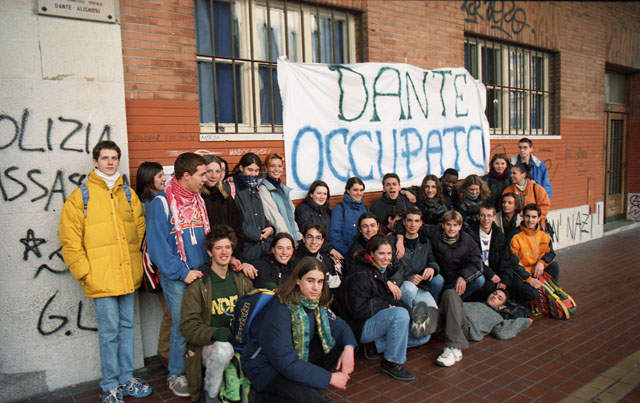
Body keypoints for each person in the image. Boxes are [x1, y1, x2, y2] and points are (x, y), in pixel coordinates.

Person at [59, 141, 151, 403]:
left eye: (114, 158)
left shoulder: (128, 194)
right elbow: (70, 240)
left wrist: (135, 262)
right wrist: (85, 272)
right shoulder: (81, 196)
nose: (110, 162)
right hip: (101, 278)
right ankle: (110, 384)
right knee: (109, 334)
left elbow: (139, 229)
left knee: (127, 328)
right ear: (95, 161)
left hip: (127, 275)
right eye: (105, 158)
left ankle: (126, 378)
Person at [242, 257, 358, 402]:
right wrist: (329, 378)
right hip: (266, 368)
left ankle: (303, 386)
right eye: (310, 281)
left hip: (292, 359)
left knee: (338, 343)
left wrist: (349, 348)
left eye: (320, 282)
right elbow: (285, 361)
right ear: (298, 280)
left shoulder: (313, 302)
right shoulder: (280, 309)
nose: (316, 287)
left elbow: (340, 326)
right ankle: (261, 396)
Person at [145, 152, 209, 397]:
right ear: (186, 175)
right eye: (201, 174)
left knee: (201, 323)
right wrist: (183, 272)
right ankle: (176, 373)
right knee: (182, 325)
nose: (205, 178)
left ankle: (196, 367)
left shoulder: (198, 200)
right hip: (177, 278)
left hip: (201, 273)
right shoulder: (161, 203)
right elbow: (157, 248)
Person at [334, 235, 430, 382]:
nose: (386, 258)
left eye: (389, 253)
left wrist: (410, 313)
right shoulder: (360, 274)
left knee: (423, 337)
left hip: (370, 319)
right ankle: (391, 363)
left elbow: (385, 296)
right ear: (372, 253)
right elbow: (357, 310)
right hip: (356, 327)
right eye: (382, 253)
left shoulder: (378, 268)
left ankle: (376, 344)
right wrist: (385, 306)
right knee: (399, 315)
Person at [179, 225, 255, 402]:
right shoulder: (199, 285)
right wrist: (218, 333)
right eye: (218, 248)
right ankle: (210, 395)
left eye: (227, 247)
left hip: (239, 343)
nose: (224, 252)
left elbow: (253, 313)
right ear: (209, 252)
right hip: (210, 347)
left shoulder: (241, 281)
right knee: (223, 350)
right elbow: (188, 326)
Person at [428, 289, 532, 367]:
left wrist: (525, 322)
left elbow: (502, 332)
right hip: (447, 320)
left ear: (501, 307)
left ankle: (454, 345)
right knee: (435, 310)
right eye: (494, 293)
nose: (495, 296)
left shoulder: (496, 317)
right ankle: (423, 325)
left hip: (463, 326)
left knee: (451, 293)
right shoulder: (475, 303)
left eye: (499, 298)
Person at [135, 161, 171, 369]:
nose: (164, 179)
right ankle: (165, 352)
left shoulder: (156, 198)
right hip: (157, 265)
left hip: (159, 263)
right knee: (171, 310)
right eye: (159, 176)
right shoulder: (150, 202)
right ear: (148, 178)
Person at [506, 204, 560, 303]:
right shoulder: (514, 236)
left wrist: (541, 263)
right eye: (528, 216)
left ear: (539, 218)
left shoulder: (544, 234)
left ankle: (545, 291)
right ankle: (524, 298)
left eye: (534, 217)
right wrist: (529, 279)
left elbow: (551, 253)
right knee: (532, 293)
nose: (530, 220)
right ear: (522, 216)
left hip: (537, 271)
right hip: (522, 275)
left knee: (554, 266)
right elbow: (513, 263)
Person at [390, 207, 444, 303]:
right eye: (409, 220)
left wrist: (432, 268)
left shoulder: (425, 241)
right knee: (410, 288)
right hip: (402, 285)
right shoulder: (394, 242)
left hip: (420, 285)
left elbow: (431, 259)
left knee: (438, 281)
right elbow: (390, 268)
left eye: (416, 221)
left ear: (421, 223)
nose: (413, 224)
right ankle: (407, 310)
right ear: (404, 222)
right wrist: (408, 278)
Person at [465, 203, 514, 302]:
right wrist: (490, 274)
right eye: (483, 215)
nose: (486, 219)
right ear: (478, 217)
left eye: (489, 216)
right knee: (488, 286)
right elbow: (472, 259)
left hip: (494, 271)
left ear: (494, 218)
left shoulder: (498, 235)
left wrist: (504, 279)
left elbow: (505, 259)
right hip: (476, 271)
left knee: (512, 284)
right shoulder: (470, 233)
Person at [202, 155, 245, 267]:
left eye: (217, 171)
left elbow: (237, 228)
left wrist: (233, 254)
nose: (214, 175)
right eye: (209, 171)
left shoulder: (225, 197)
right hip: (204, 255)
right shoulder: (198, 198)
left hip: (225, 255)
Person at [232, 153, 275, 260]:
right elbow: (234, 221)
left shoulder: (255, 188)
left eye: (256, 171)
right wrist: (256, 234)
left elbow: (261, 216)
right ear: (241, 168)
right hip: (246, 250)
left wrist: (270, 228)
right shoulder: (233, 188)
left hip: (263, 248)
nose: (253, 174)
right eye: (250, 170)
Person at [294, 180, 342, 259]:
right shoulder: (303, 210)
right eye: (319, 193)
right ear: (311, 194)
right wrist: (329, 249)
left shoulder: (327, 211)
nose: (322, 197)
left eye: (325, 194)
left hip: (327, 249)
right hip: (310, 251)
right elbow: (307, 233)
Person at [259, 153, 302, 240]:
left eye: (279, 166)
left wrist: (297, 236)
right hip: (281, 240)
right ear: (266, 168)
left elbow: (291, 217)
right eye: (272, 166)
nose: (276, 169)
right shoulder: (264, 189)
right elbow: (275, 218)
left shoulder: (282, 189)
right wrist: (288, 239)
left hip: (291, 238)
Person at [502, 163, 550, 229]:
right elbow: (504, 209)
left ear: (523, 175)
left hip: (535, 228)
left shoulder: (537, 189)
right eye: (511, 173)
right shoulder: (508, 191)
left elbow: (544, 207)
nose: (511, 175)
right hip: (515, 228)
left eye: (514, 173)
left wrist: (532, 218)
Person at [295, 224, 342, 291]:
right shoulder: (294, 260)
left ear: (322, 241)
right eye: (310, 237)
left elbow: (334, 286)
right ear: (304, 239)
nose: (314, 242)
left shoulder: (326, 260)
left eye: (318, 238)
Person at [329, 177, 368, 256]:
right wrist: (349, 253)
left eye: (361, 190)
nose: (359, 193)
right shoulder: (339, 209)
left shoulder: (365, 209)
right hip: (347, 253)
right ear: (348, 190)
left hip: (364, 253)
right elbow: (334, 236)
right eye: (355, 190)